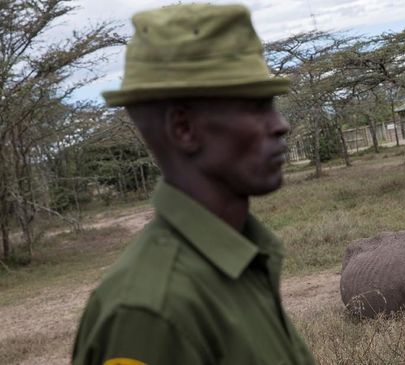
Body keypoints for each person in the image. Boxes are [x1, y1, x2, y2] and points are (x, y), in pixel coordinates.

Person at [72, 4, 315, 365]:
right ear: (184, 129)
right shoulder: (151, 313)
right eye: (256, 107)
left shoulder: (240, 264)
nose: (281, 125)